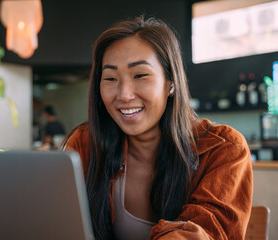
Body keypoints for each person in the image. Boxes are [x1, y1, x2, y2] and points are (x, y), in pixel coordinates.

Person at [63, 16, 253, 240]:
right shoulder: (84, 144)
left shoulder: (224, 149)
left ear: (170, 82)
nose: (124, 94)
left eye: (140, 75)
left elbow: (206, 234)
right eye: (111, 78)